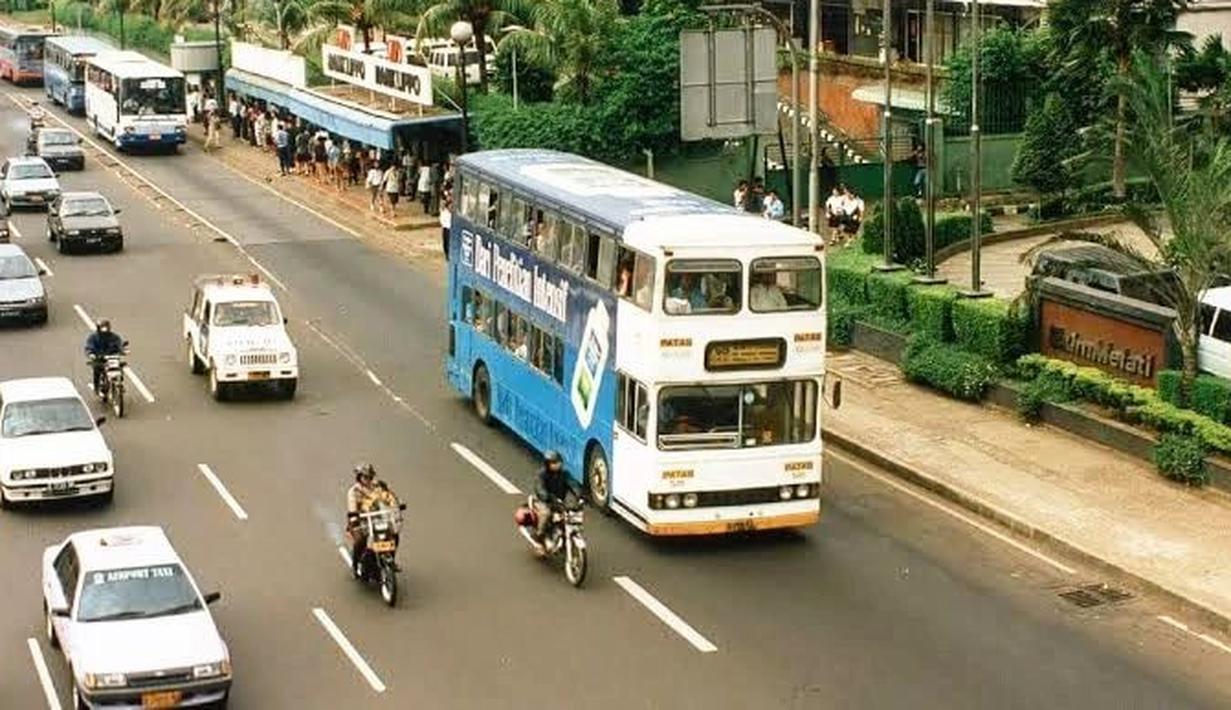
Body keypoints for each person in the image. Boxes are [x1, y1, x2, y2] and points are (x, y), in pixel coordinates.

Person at [531, 451, 579, 547]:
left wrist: (579, 494)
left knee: (569, 515)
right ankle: (539, 535)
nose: (557, 465)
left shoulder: (565, 474)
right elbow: (539, 487)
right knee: (546, 513)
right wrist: (546, 496)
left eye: (558, 462)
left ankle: (563, 535)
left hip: (558, 501)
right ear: (548, 464)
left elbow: (573, 484)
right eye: (554, 463)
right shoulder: (542, 475)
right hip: (542, 501)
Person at [346, 463, 378, 576]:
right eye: (365, 477)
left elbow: (387, 498)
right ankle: (355, 565)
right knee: (360, 540)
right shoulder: (353, 492)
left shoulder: (377, 487)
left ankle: (389, 559)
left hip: (377, 519)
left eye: (370, 477)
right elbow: (352, 509)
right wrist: (354, 519)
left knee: (392, 535)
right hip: (360, 521)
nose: (368, 480)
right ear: (359, 477)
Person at [84, 320, 125, 395]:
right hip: (99, 358)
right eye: (102, 328)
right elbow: (89, 346)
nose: (104, 330)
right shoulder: (93, 337)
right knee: (97, 369)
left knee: (119, 367)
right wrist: (91, 353)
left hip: (111, 357)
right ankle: (97, 387)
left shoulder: (114, 337)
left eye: (106, 327)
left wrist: (122, 350)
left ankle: (119, 383)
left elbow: (119, 345)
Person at [439, 185, 452, 260]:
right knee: (445, 241)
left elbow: (450, 209)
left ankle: (448, 254)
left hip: (450, 226)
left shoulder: (450, 205)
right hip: (445, 225)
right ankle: (446, 254)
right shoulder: (444, 204)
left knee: (448, 241)